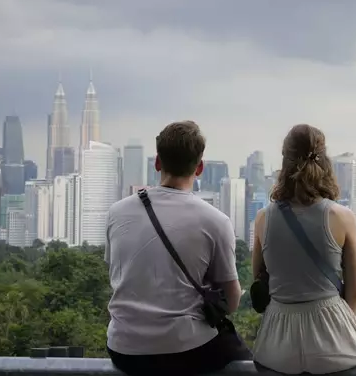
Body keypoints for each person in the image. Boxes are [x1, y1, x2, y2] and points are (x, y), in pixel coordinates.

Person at [105, 121, 251, 375]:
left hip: (123, 348)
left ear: (157, 163)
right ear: (200, 167)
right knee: (248, 366)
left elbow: (118, 274)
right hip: (186, 349)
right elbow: (232, 300)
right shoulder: (215, 221)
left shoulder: (117, 213)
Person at [252, 124, 356, 374]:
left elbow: (260, 282)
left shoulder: (263, 219)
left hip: (277, 345)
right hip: (335, 344)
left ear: (284, 163)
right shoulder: (341, 217)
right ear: (324, 160)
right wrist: (334, 326)